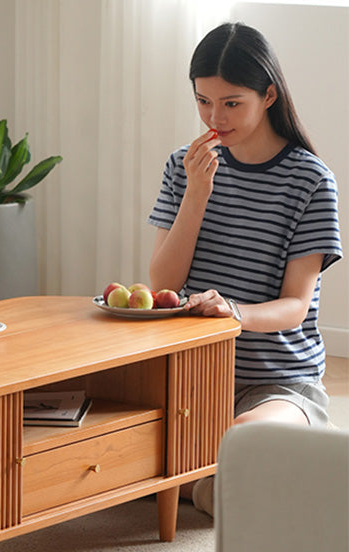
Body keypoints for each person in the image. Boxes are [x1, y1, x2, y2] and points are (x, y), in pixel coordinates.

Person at [148, 22, 342, 514]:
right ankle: (212, 477)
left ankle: (214, 475)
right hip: (193, 374)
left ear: (269, 95)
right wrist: (196, 195)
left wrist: (234, 311)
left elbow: (296, 307)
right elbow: (162, 284)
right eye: (203, 101)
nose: (215, 117)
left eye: (232, 103)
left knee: (242, 450)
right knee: (108, 451)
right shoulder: (184, 167)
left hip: (277, 382)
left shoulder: (310, 181)